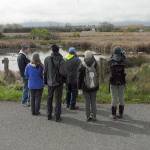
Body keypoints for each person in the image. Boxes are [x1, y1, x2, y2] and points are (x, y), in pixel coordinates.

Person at [44, 45, 65, 122]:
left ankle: (48, 115)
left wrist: (45, 81)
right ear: (58, 50)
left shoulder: (47, 59)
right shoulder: (61, 60)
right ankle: (57, 117)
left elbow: (45, 71)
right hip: (58, 83)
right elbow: (63, 72)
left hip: (50, 82)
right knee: (58, 100)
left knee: (49, 99)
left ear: (52, 51)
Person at [78, 51, 99, 121]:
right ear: (92, 56)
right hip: (94, 87)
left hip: (85, 87)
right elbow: (98, 75)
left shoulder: (82, 65)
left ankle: (87, 117)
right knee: (93, 102)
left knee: (87, 102)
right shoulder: (95, 64)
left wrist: (79, 88)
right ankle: (94, 117)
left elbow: (80, 78)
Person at [109, 47, 126, 120]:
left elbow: (108, 62)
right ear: (120, 53)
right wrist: (123, 55)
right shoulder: (123, 60)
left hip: (113, 82)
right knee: (121, 98)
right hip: (122, 82)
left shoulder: (111, 61)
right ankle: (121, 114)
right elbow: (126, 60)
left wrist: (112, 56)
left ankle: (113, 115)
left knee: (114, 98)